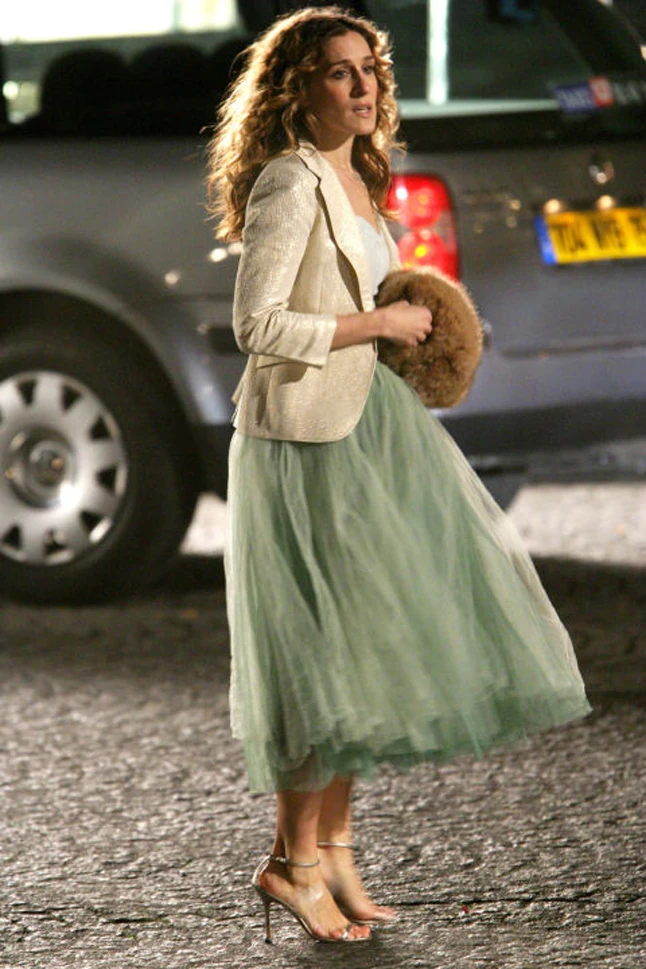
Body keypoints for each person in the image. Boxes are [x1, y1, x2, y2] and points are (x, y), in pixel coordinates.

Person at [206, 5, 591, 946]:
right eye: (340, 72)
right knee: (321, 656)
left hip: (370, 427)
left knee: (366, 651)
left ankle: (333, 851)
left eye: (369, 69)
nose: (364, 86)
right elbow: (258, 326)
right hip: (305, 440)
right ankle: (293, 863)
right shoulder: (289, 181)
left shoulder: (358, 175)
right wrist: (376, 325)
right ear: (296, 88)